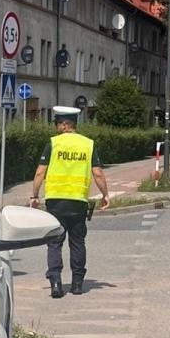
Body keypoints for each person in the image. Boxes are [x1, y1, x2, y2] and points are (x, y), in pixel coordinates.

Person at [29, 106, 110, 297]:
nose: (56, 128)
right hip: (78, 202)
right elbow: (97, 173)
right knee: (77, 242)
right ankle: (77, 284)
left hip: (55, 202)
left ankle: (56, 283)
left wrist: (34, 195)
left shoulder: (53, 143)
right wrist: (105, 194)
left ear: (66, 125)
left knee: (55, 243)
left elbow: (40, 171)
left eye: (58, 124)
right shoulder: (88, 144)